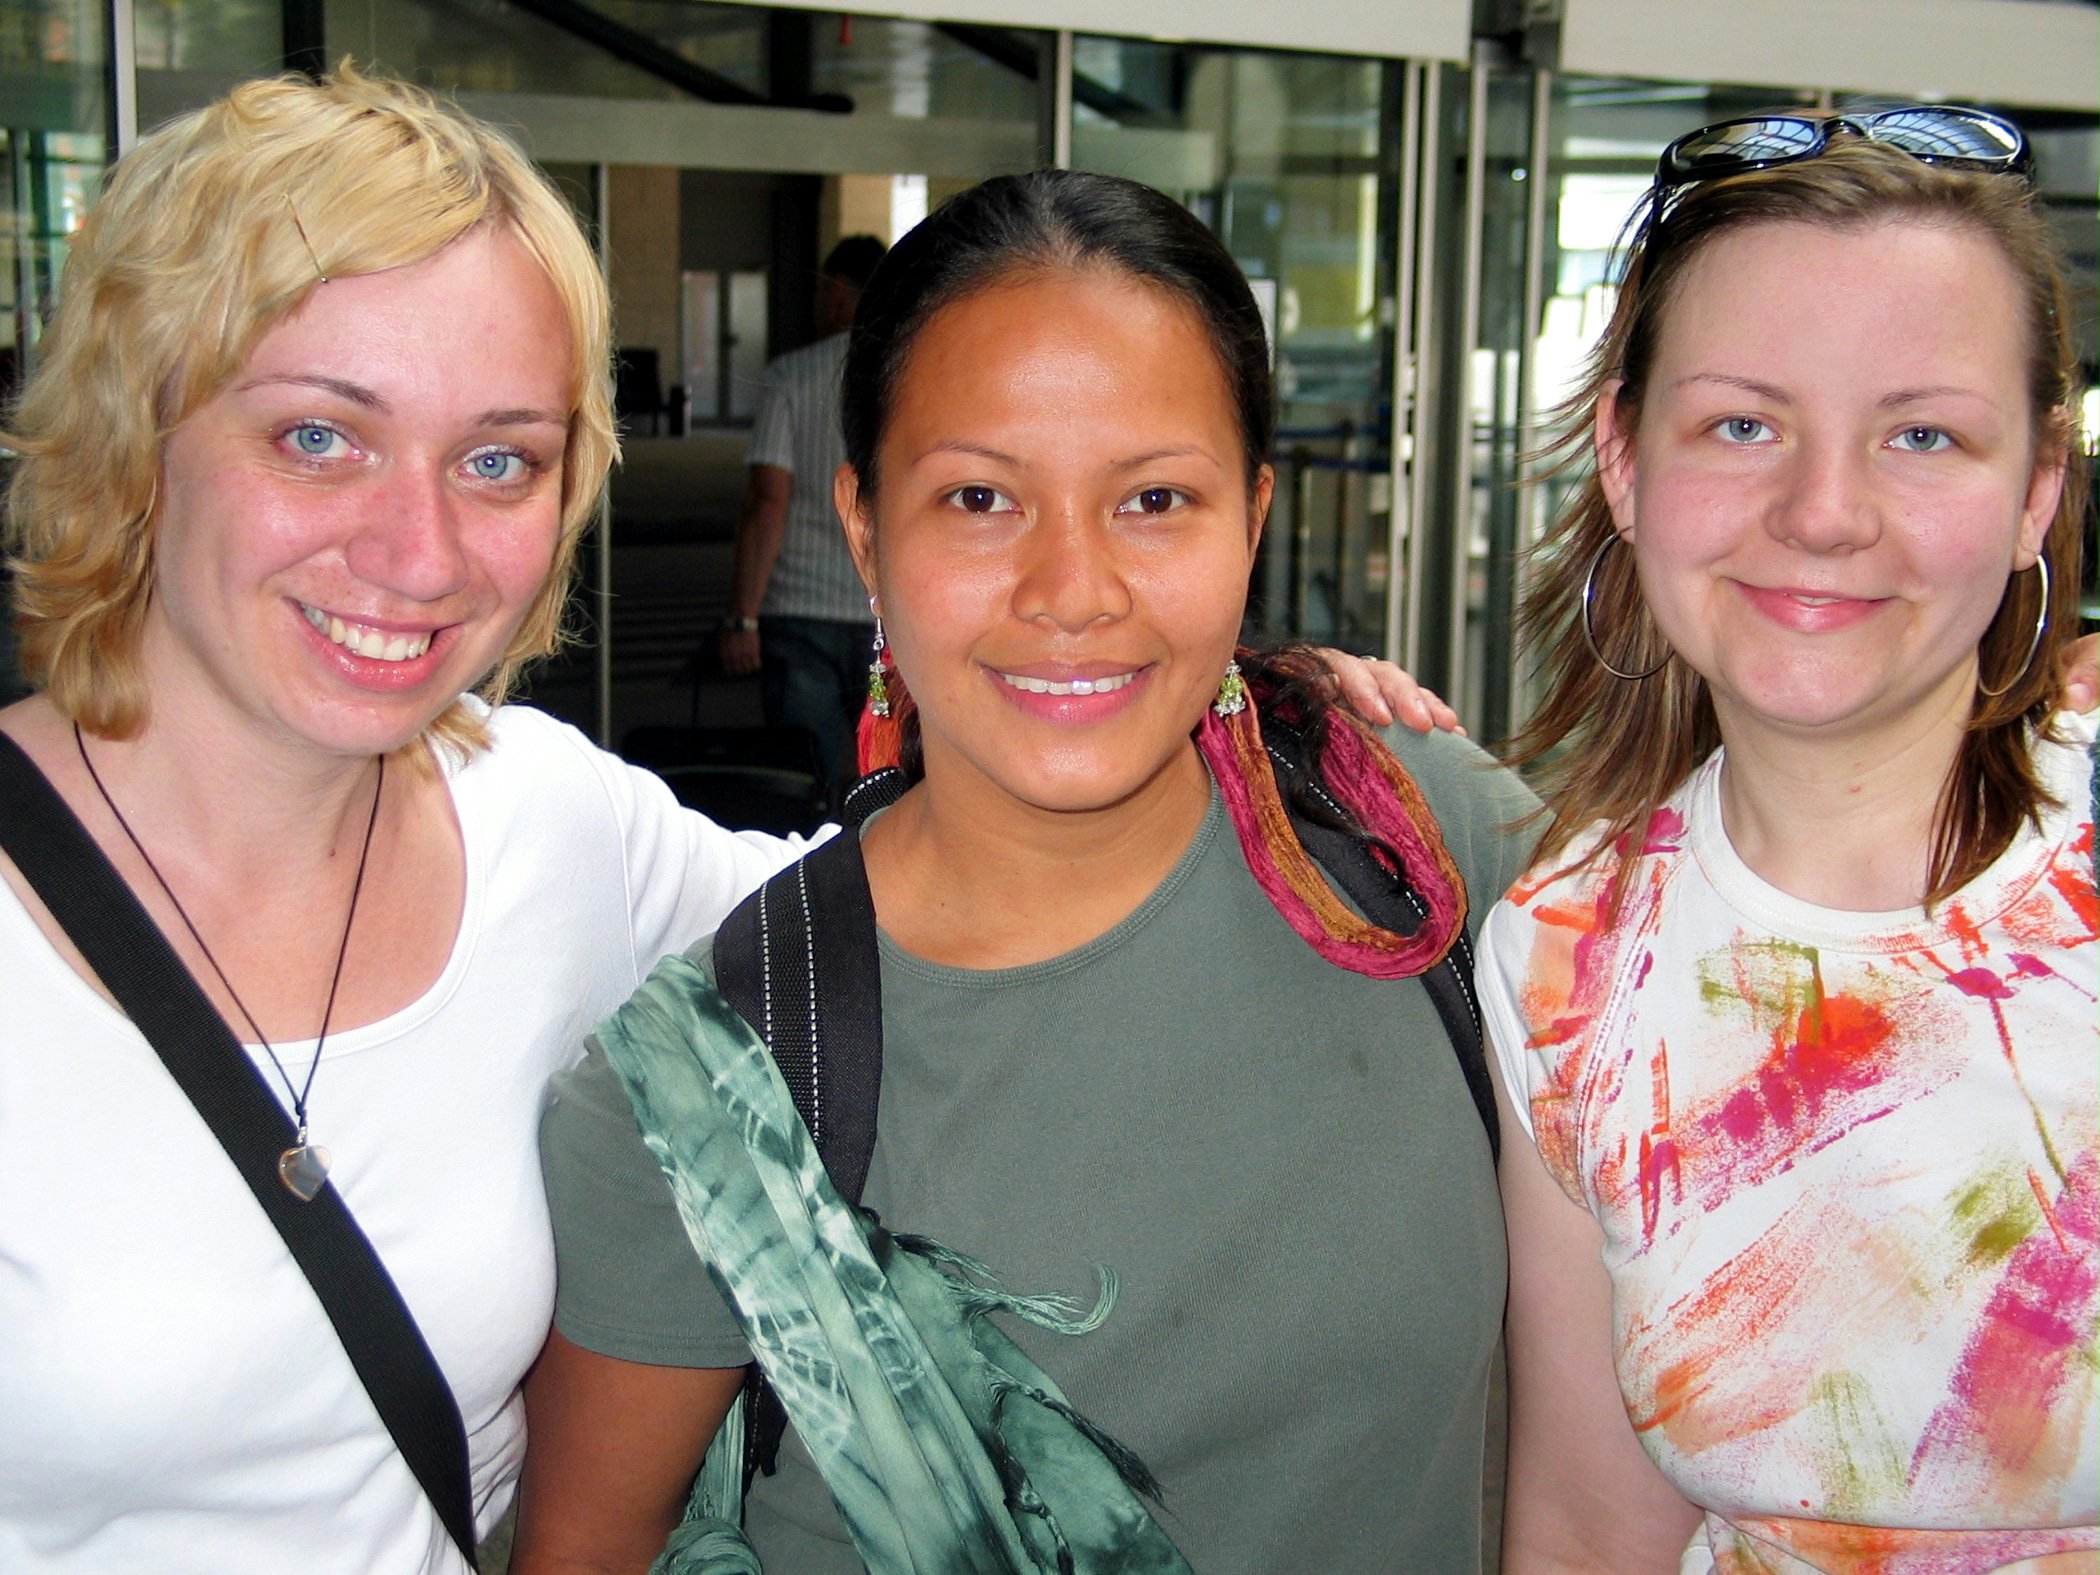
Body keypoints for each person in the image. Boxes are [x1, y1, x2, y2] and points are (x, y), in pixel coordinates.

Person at [519, 169, 1537, 1573]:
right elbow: (585, 1545)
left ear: (1253, 515)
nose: (1073, 588)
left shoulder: (1416, 849)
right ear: (865, 531)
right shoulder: (713, 1090)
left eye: (1157, 498)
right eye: (983, 496)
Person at [0, 69, 819, 1572]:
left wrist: (1236, 719)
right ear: (138, 429)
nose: (419, 550)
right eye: (319, 436)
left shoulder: (545, 821)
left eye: (497, 457)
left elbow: (939, 911)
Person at [1478, 108, 2100, 1570]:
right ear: (1626, 465)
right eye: (1743, 424)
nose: (1824, 512)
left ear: (2037, 496)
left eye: (1923, 433)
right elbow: (1586, 1522)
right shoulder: (1564, 956)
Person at [719, 234, 889, 791]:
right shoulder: (903, 374)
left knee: (804, 780)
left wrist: (743, 616)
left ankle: (815, 876)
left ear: (839, 293)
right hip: (884, 613)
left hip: (798, 611)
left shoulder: (791, 377)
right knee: (890, 777)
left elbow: (767, 499)